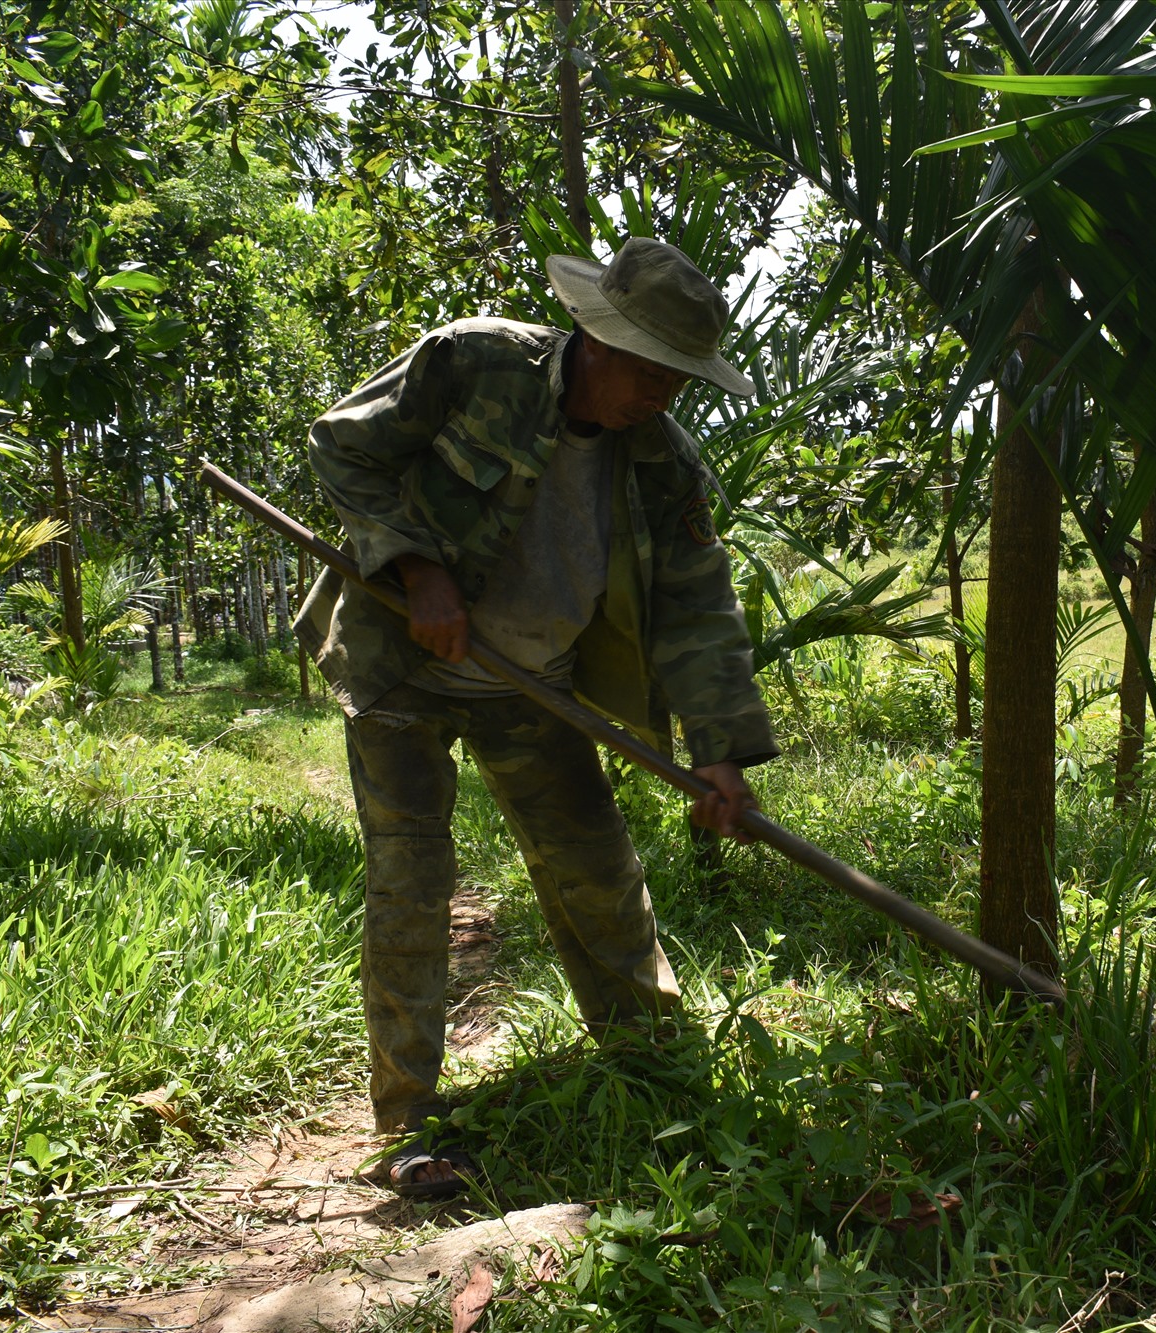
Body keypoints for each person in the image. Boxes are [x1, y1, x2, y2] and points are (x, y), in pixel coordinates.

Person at [295, 238, 777, 1198]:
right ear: (597, 340)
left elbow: (697, 606)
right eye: (650, 372)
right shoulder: (470, 362)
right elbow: (344, 447)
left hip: (539, 684)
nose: (662, 397)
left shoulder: (662, 460)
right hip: (403, 664)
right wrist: (417, 568)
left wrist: (723, 753)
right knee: (410, 876)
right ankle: (410, 1120)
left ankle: (656, 1064)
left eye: (680, 381)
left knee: (599, 869)